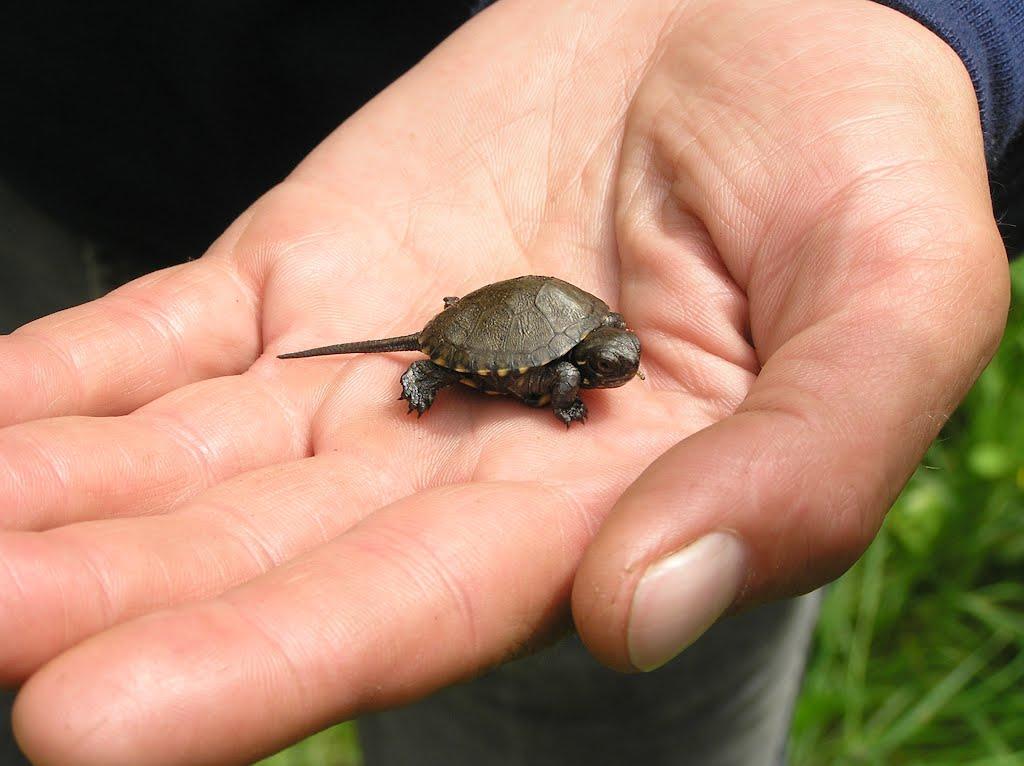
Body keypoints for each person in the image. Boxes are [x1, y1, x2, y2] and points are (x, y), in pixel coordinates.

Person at [0, 0, 1020, 763]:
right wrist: (464, 376)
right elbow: (528, 370)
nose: (614, 373)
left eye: (611, 365)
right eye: (603, 370)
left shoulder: (599, 338)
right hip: (76, 122)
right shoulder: (551, 369)